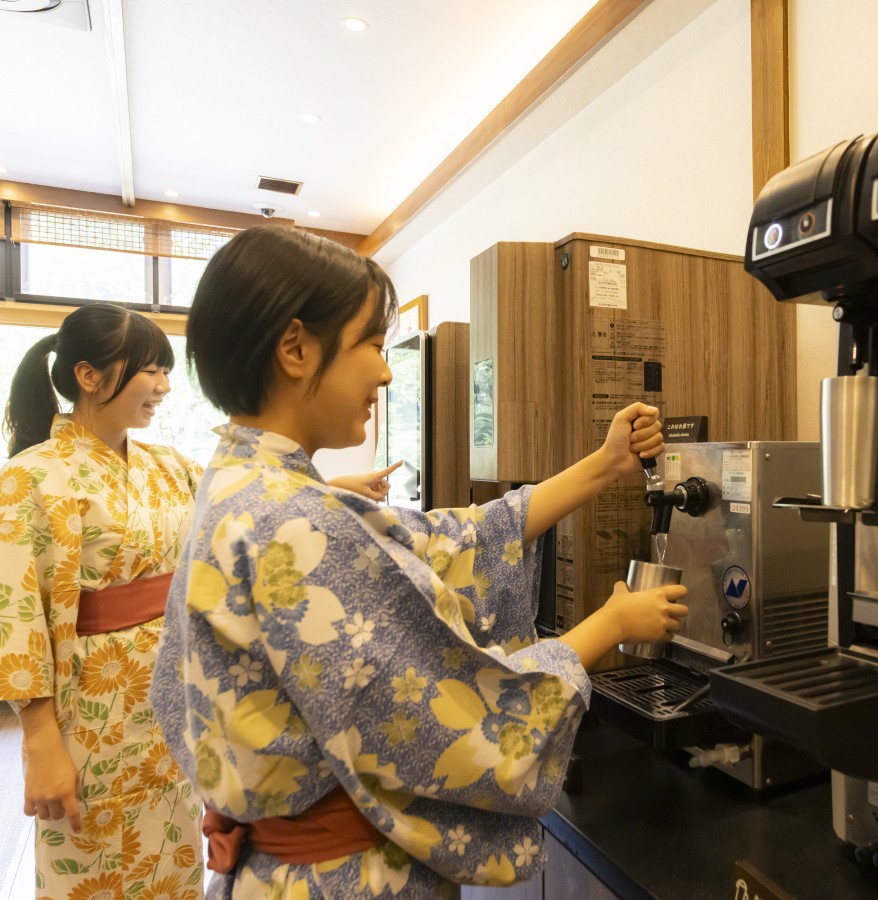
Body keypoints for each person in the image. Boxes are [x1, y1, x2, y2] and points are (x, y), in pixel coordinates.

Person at [149, 226, 688, 898]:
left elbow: (447, 538)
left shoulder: (237, 485)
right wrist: (611, 623)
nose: (384, 370)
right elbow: (464, 731)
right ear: (295, 348)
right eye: (371, 344)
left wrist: (606, 464)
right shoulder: (295, 521)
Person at [0, 302, 399, 900]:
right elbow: (17, 612)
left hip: (172, 694)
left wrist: (336, 488)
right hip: (93, 712)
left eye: (165, 370)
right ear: (89, 376)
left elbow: (244, 498)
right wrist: (39, 741)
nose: (164, 386)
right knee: (96, 866)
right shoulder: (28, 477)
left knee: (179, 855)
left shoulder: (165, 465)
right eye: (150, 370)